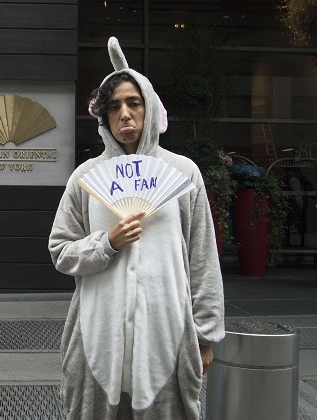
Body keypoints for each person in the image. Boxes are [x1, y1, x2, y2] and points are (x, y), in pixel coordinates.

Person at [48, 37, 225, 419]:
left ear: (150, 108)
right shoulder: (86, 177)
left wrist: (206, 335)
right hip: (97, 330)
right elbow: (61, 250)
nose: (125, 114)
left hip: (168, 330)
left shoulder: (183, 173)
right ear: (104, 118)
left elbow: (202, 258)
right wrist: (106, 243)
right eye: (114, 107)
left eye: (134, 103)